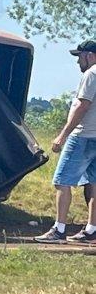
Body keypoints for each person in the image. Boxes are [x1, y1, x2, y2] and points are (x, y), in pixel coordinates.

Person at [34, 39, 96, 244]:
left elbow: (82, 106)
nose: (78, 62)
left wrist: (63, 135)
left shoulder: (91, 74)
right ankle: (92, 229)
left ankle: (59, 230)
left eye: (79, 57)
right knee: (94, 183)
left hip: (83, 136)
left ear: (89, 56)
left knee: (62, 181)